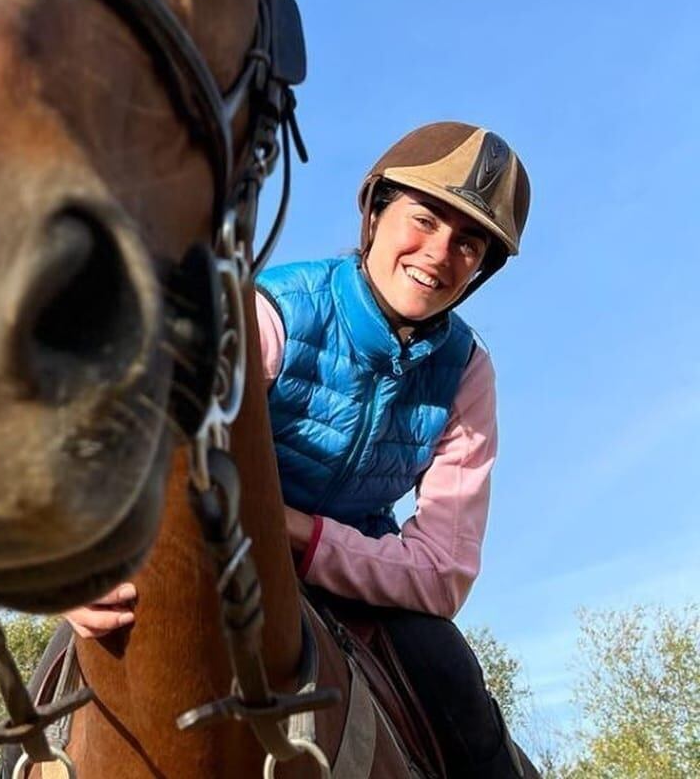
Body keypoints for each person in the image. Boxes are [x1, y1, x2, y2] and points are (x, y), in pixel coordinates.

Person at [65, 122, 532, 778]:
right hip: (220, 557)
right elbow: (139, 447)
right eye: (424, 219)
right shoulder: (274, 313)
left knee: (458, 690)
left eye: (469, 243)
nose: (439, 252)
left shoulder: (467, 373)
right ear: (375, 212)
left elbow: (442, 572)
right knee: (50, 696)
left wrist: (300, 536)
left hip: (359, 578)